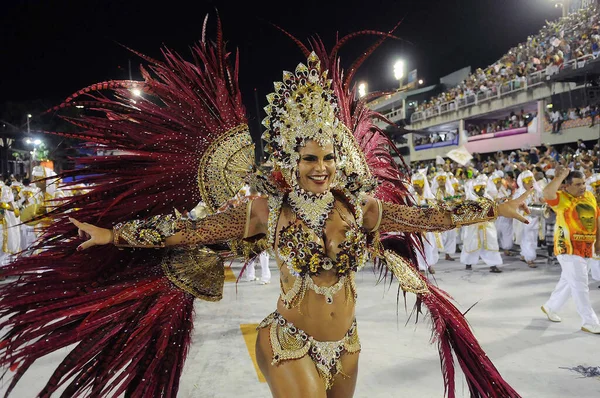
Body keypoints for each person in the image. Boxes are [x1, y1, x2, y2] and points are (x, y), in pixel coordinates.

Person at [0, 28, 531, 397]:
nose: (319, 168)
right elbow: (188, 231)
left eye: (326, 157)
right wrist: (114, 236)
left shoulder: (363, 207)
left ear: (338, 157)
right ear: (290, 160)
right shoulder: (265, 212)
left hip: (347, 342)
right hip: (288, 341)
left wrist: (490, 207)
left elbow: (426, 218)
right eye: (308, 158)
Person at [542, 166, 600, 334]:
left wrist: (598, 242)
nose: (582, 187)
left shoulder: (589, 196)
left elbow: (597, 218)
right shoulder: (561, 198)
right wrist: (559, 177)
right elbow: (547, 194)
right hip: (568, 248)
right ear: (566, 186)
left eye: (583, 183)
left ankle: (550, 307)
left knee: (569, 282)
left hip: (588, 248)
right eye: (577, 184)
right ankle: (590, 321)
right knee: (580, 284)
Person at [461, 176, 503, 273]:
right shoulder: (469, 199)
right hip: (473, 227)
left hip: (487, 226)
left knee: (491, 244)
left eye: (483, 188)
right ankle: (468, 262)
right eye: (478, 188)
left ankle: (493, 265)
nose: (481, 190)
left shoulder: (488, 198)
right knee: (471, 244)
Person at [410, 172, 440, 275]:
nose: (416, 189)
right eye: (414, 187)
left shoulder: (429, 197)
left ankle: (429, 264)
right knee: (418, 246)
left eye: (417, 187)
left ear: (423, 186)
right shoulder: (412, 197)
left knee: (429, 246)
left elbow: (435, 211)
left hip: (427, 227)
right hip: (416, 227)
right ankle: (421, 267)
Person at [513, 170, 543, 267]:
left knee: (533, 238)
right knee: (528, 238)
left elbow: (541, 201)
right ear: (522, 183)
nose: (530, 182)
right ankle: (529, 258)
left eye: (531, 180)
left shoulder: (536, 192)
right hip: (525, 219)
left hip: (535, 219)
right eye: (527, 181)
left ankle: (524, 254)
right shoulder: (519, 194)